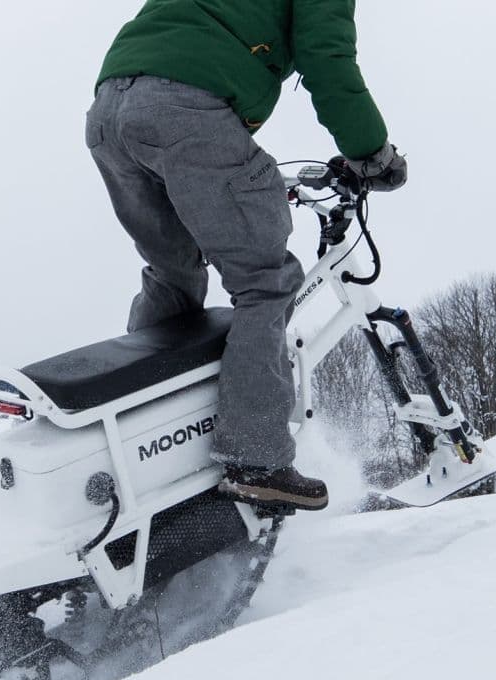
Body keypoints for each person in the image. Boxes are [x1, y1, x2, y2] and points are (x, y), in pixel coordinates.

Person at [87, 0, 407, 512]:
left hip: (111, 107)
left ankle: (142, 437)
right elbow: (327, 59)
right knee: (266, 280)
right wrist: (371, 152)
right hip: (185, 110)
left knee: (172, 273)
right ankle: (257, 460)